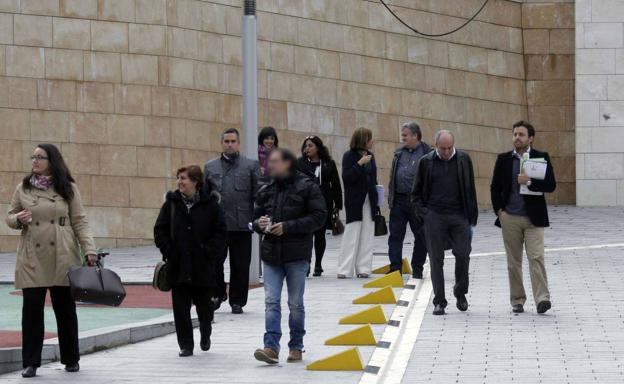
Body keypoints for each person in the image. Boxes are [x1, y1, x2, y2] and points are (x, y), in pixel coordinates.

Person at [6, 144, 98, 378]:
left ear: (51, 160)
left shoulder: (68, 188)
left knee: (65, 310)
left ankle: (71, 359)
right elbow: (9, 216)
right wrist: (18, 219)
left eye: (40, 157)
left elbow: (80, 221)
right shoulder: (23, 187)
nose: (35, 161)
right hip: (32, 255)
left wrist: (90, 250)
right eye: (33, 157)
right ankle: (31, 363)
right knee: (32, 312)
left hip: (63, 254)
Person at [252, 149, 326, 364]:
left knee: (295, 303)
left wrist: (288, 227)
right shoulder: (267, 189)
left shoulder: (307, 186)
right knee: (271, 301)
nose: (270, 166)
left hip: (297, 255)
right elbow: (255, 219)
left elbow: (319, 217)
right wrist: (260, 224)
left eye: (274, 162)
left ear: (288, 163)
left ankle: (296, 346)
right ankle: (271, 347)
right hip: (271, 254)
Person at [154, 165, 226, 357]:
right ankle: (186, 345)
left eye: (184, 178)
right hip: (178, 266)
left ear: (196, 181)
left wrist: (208, 251)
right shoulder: (171, 203)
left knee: (205, 308)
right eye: (178, 178)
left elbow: (220, 232)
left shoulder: (210, 205)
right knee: (180, 308)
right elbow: (159, 230)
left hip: (202, 267)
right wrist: (169, 250)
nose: (180, 182)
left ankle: (205, 333)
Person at [490, 121, 556, 314]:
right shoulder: (503, 159)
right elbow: (495, 187)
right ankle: (517, 300)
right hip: (509, 216)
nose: (517, 138)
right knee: (514, 261)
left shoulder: (540, 157)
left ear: (530, 138)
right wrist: (499, 211)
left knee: (536, 257)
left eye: (521, 134)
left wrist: (530, 182)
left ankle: (542, 298)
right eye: (515, 134)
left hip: (533, 218)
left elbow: (551, 185)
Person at [411, 130, 478, 316]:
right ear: (435, 146)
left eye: (450, 148)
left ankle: (460, 292)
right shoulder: (426, 162)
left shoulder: (464, 160)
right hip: (435, 215)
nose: (447, 152)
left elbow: (470, 189)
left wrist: (472, 215)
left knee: (463, 254)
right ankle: (439, 301)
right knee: (436, 259)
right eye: (443, 148)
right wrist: (424, 214)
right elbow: (415, 193)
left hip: (459, 215)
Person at [204, 128, 260, 314]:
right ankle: (218, 294)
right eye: (226, 141)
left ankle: (238, 301)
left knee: (240, 265)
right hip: (217, 226)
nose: (229, 144)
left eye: (233, 141)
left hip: (242, 223)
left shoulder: (250, 165)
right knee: (214, 263)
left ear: (238, 143)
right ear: (221, 143)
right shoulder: (211, 167)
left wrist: (258, 218)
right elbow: (204, 197)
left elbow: (258, 194)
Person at [387, 122, 431, 278]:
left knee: (421, 236)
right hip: (399, 200)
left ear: (415, 136)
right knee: (395, 235)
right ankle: (395, 268)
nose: (402, 137)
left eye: (405, 135)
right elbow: (393, 176)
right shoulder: (399, 153)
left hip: (417, 202)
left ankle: (417, 267)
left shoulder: (427, 153)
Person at [296, 135, 343, 277]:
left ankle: (318, 264)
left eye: (310, 146)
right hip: (305, 204)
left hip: (324, 203)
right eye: (306, 146)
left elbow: (336, 184)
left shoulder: (328, 163)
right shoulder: (300, 163)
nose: (307, 148)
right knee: (307, 234)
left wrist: (338, 205)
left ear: (318, 147)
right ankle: (307, 263)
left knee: (320, 234)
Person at [337, 128, 379, 279]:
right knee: (352, 233)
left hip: (369, 199)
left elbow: (373, 178)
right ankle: (344, 269)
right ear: (363, 140)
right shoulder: (349, 156)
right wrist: (360, 164)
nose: (372, 141)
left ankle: (364, 268)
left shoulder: (371, 155)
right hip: (355, 200)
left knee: (367, 234)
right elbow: (347, 178)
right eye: (369, 139)